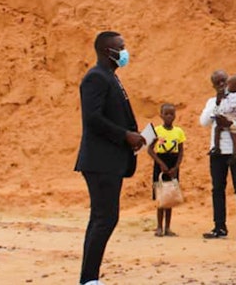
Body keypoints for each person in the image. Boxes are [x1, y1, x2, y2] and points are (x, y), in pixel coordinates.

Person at [75, 31, 146, 285]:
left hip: (110, 160)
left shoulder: (110, 77)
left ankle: (89, 278)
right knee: (105, 218)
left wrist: (135, 135)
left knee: (102, 218)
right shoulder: (95, 77)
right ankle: (88, 280)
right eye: (121, 47)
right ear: (108, 51)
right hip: (100, 161)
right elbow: (92, 119)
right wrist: (125, 135)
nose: (125, 51)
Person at [200, 69, 236, 240]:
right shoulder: (211, 102)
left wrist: (232, 123)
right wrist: (217, 104)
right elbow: (204, 122)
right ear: (213, 85)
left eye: (223, 81)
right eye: (217, 82)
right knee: (218, 189)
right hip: (217, 152)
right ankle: (219, 227)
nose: (221, 85)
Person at [148, 102, 186, 237]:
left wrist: (176, 167)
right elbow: (150, 150)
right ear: (161, 115)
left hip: (173, 164)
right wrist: (160, 164)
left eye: (172, 114)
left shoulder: (179, 132)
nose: (169, 116)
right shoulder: (157, 131)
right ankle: (159, 226)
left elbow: (181, 151)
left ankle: (168, 227)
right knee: (161, 196)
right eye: (166, 114)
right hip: (160, 164)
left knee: (170, 196)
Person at [213, 73, 236, 154]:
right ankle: (217, 148)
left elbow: (228, 108)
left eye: (228, 85)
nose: (226, 86)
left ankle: (234, 153)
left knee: (233, 135)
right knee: (218, 128)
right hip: (233, 118)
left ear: (235, 87)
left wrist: (222, 103)